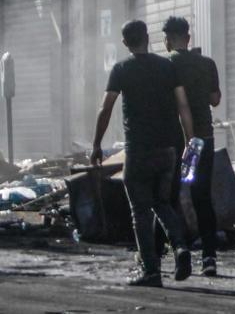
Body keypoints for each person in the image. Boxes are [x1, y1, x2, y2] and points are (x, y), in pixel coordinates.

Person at [91, 20, 195, 287]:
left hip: (138, 150)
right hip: (167, 150)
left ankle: (151, 271)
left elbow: (105, 109)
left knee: (140, 211)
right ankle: (181, 247)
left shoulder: (121, 69)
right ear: (148, 38)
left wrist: (96, 145)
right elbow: (183, 105)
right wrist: (189, 141)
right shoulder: (167, 66)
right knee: (162, 203)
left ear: (125, 43)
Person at [162, 16, 222, 277]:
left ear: (167, 40)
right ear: (188, 37)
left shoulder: (166, 66)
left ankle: (175, 251)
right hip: (203, 139)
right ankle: (209, 258)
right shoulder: (207, 63)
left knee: (170, 197)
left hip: (175, 141)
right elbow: (215, 99)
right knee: (202, 198)